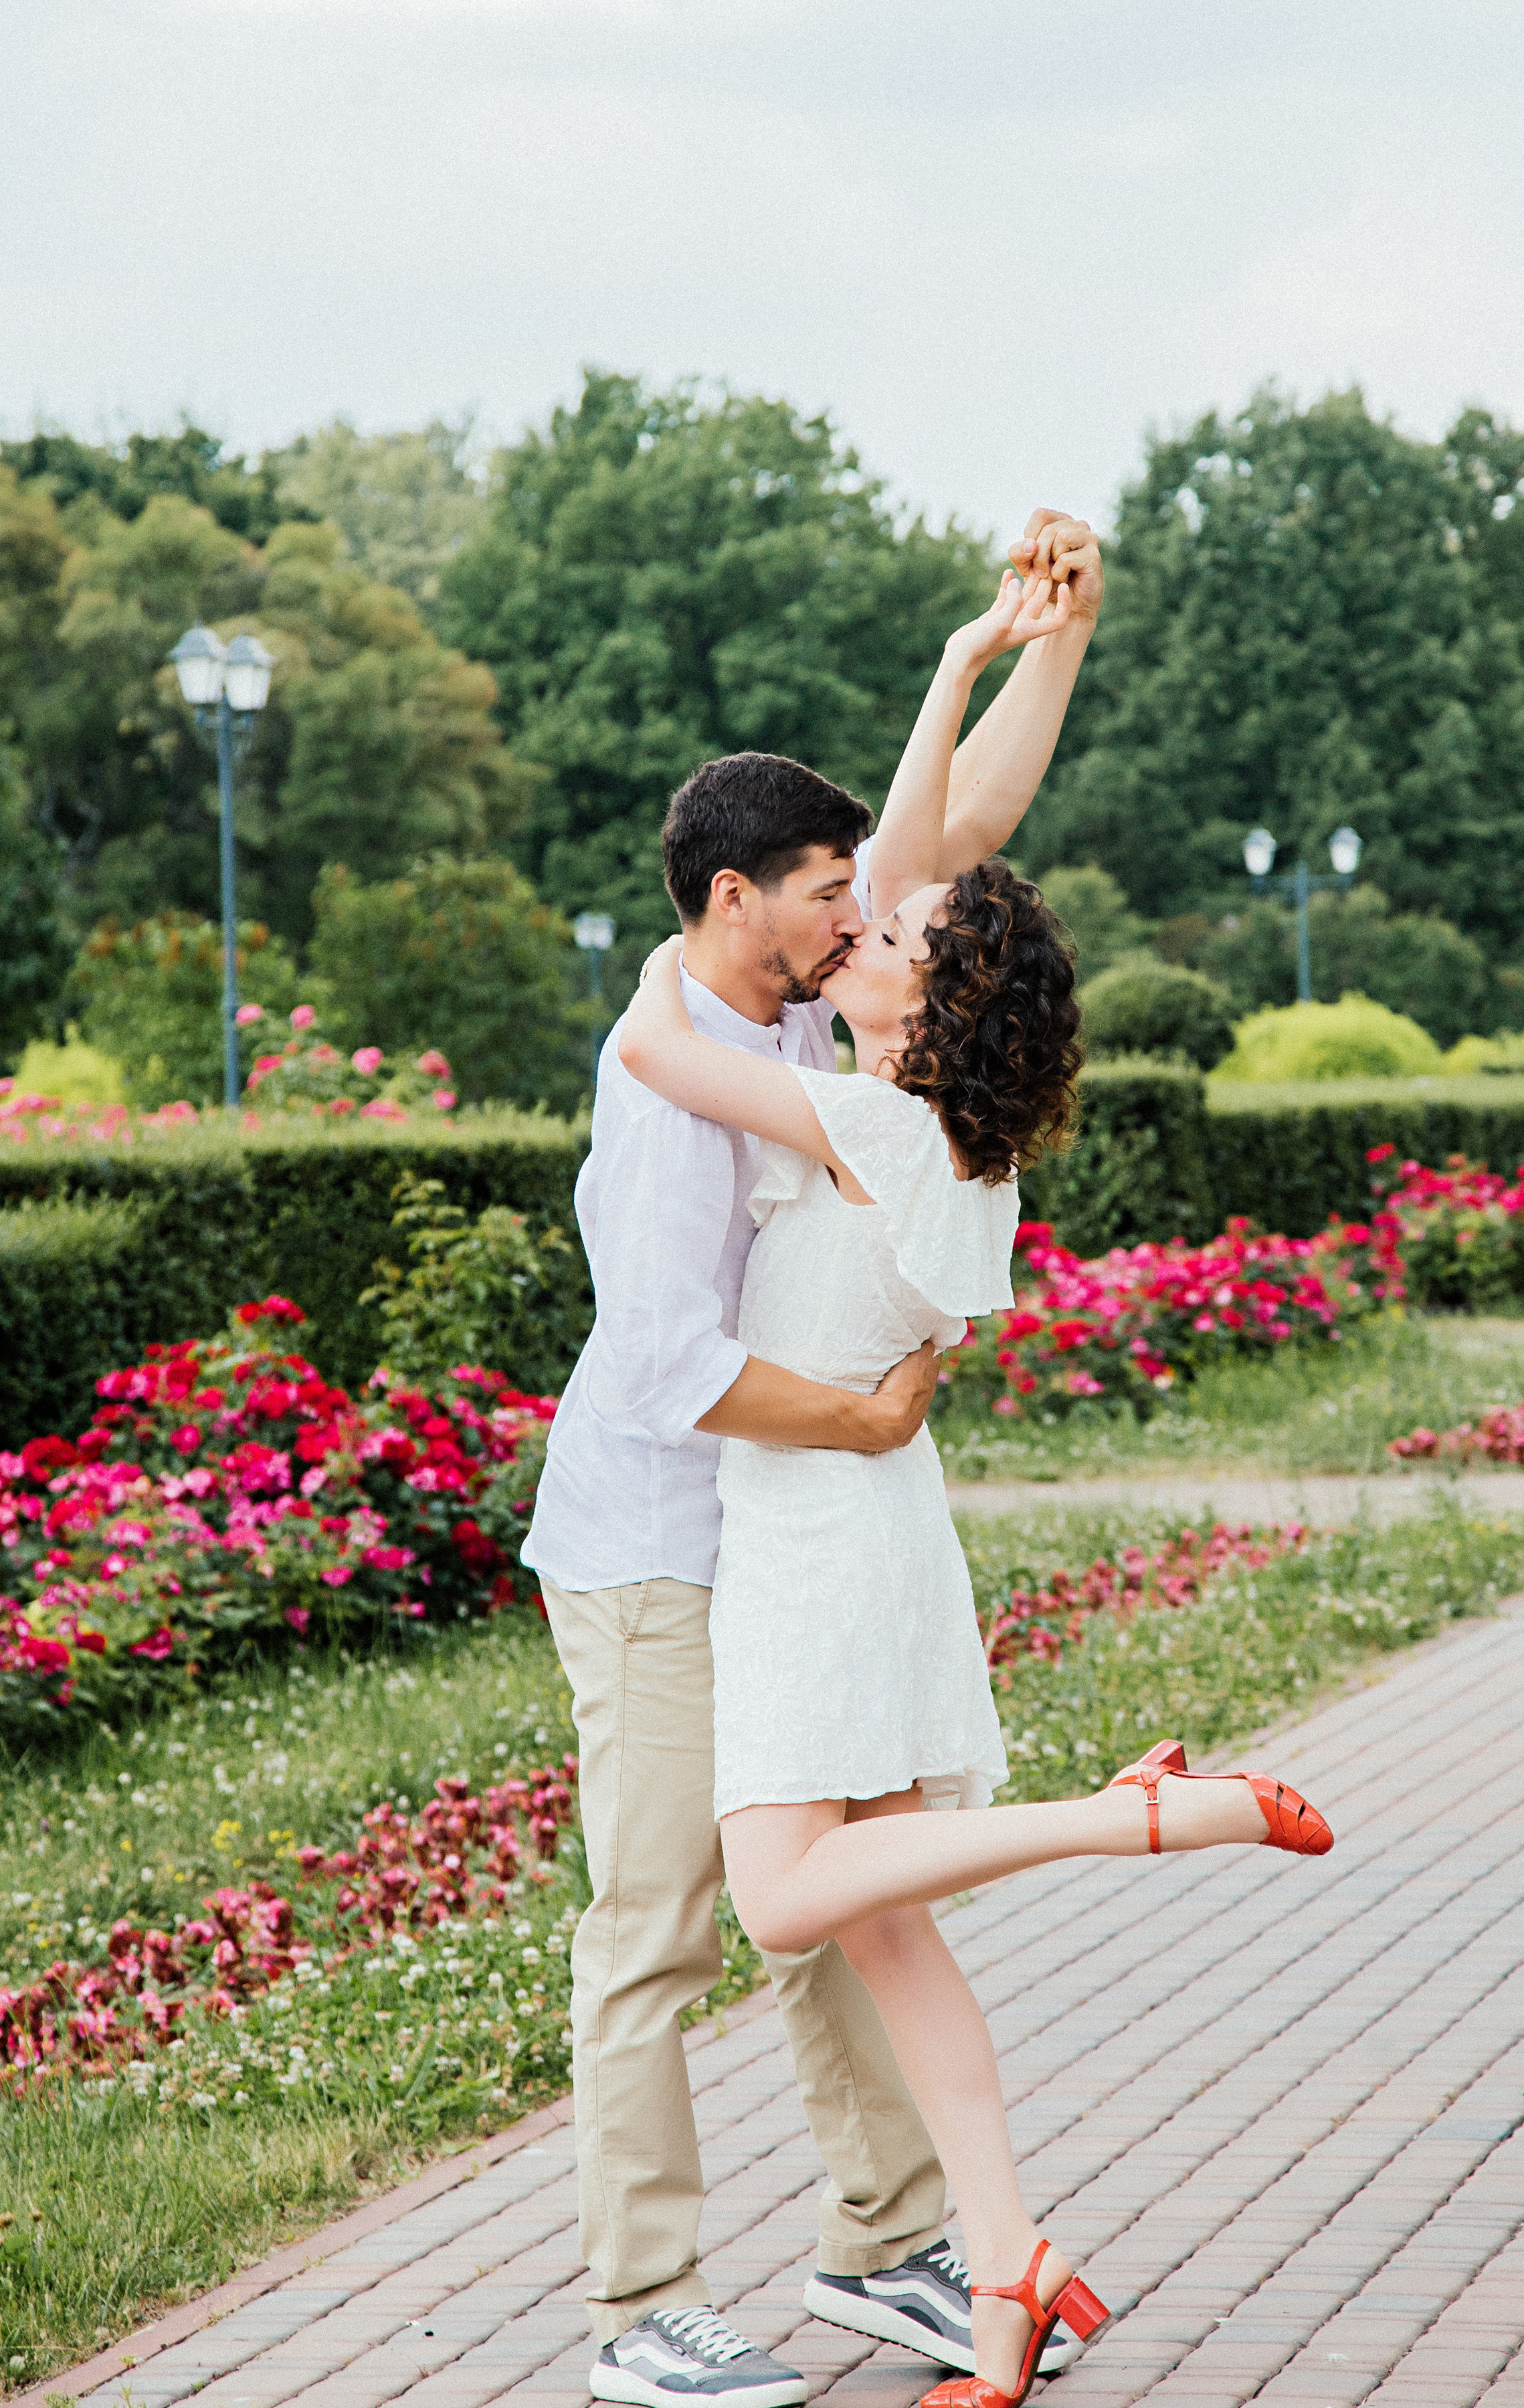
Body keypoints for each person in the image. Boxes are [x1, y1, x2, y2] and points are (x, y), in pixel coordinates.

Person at [613, 601, 1335, 2408]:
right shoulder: (947, 1134)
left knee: (789, 1904)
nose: (863, 918)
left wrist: (687, 925)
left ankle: (1127, 1821)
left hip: (812, 1548)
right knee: (886, 1935)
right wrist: (966, 662)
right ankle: (1008, 2263)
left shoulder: (863, 1124)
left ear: (923, 1000)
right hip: (875, 1532)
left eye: (891, 930)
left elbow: (651, 1050)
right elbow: (925, 849)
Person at [522, 511, 1106, 2408]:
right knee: (669, 1920)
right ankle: (640, 2305)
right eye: (831, 890)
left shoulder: (819, 1032)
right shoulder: (692, 1079)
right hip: (663, 1534)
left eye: (869, 896)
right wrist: (859, 1420)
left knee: (836, 1897)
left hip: (786, 1536)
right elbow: (664, 1357)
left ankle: (887, 2243)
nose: (868, 909)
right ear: (730, 905)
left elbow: (964, 828)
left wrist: (1028, 646)